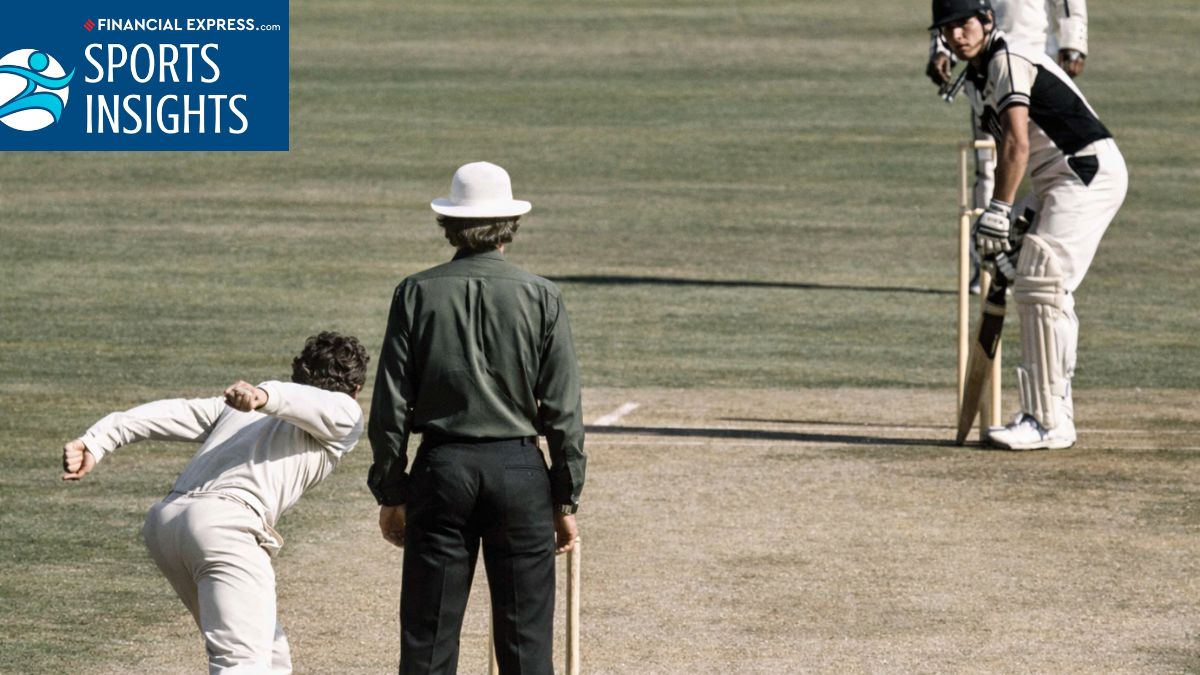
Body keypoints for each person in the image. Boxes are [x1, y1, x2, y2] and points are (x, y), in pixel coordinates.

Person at [368, 161, 585, 674]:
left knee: (429, 637)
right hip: (519, 472)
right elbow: (563, 411)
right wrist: (565, 495)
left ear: (449, 225)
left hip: (442, 469)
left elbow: (391, 405)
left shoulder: (416, 292)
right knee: (526, 640)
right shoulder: (542, 295)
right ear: (510, 225)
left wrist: (391, 490)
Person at [61, 332, 369, 673]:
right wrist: (264, 395)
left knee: (270, 654)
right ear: (356, 389)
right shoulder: (345, 412)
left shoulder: (251, 408)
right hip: (222, 527)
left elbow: (171, 412)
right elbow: (327, 403)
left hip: (168, 524)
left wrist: (98, 439)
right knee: (242, 664)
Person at [930, 0, 1127, 449]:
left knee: (1042, 284)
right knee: (1037, 283)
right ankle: (1056, 410)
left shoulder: (1007, 58)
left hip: (1083, 172)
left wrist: (999, 211)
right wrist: (1013, 221)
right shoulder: (980, 74)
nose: (958, 36)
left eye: (964, 24)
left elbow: (1017, 145)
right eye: (948, 29)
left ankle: (1047, 422)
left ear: (986, 21)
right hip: (1060, 178)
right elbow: (1011, 152)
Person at [926, 0, 1089, 293]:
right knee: (989, 165)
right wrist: (941, 47)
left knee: (1040, 160)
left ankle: (1027, 259)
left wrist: (1073, 40)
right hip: (982, 63)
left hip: (1033, 55)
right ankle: (986, 267)